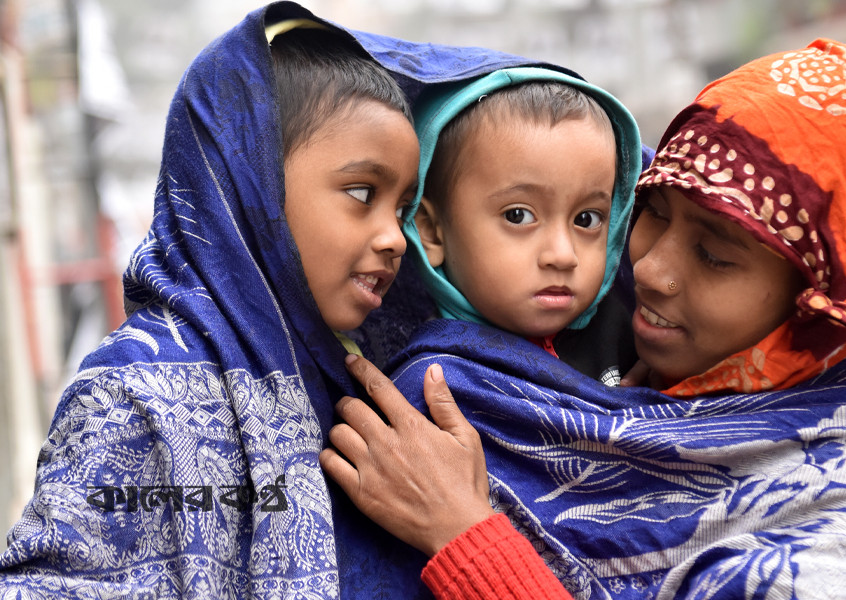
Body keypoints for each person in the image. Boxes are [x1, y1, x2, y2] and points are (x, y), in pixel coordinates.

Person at [320, 33, 846, 599]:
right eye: (651, 212)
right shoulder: (587, 348)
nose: (649, 270)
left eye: (713, 255)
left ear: (818, 307)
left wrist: (466, 539)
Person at [0, 2, 574, 597]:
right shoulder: (136, 394)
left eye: (403, 209)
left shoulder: (368, 394)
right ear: (254, 186)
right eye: (361, 192)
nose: (393, 236)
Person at [402, 68, 645, 385]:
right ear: (432, 232)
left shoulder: (634, 334)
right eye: (518, 215)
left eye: (587, 219)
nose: (562, 255)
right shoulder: (436, 382)